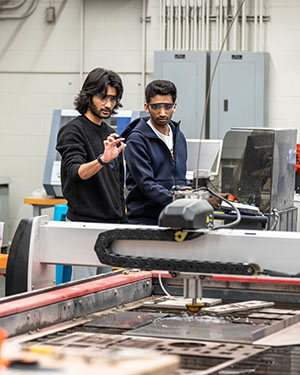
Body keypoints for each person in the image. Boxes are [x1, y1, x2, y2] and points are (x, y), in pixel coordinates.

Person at [56, 67, 126, 279]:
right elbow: (76, 172)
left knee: (104, 291)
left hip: (110, 226)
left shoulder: (110, 134)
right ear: (88, 97)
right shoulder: (72, 131)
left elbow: (117, 184)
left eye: (113, 99)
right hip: (84, 225)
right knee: (84, 292)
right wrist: (102, 160)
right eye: (102, 97)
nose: (108, 104)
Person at [122, 79, 187, 225]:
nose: (162, 113)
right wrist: (179, 200)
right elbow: (146, 184)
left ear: (174, 107)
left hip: (175, 216)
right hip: (145, 219)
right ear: (147, 107)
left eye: (167, 107)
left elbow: (180, 179)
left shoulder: (179, 136)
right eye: (156, 107)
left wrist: (197, 197)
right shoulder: (136, 140)